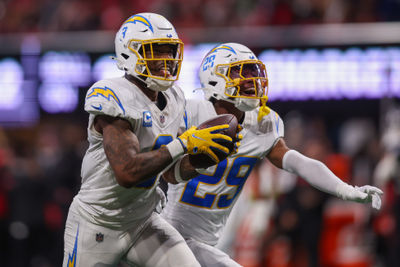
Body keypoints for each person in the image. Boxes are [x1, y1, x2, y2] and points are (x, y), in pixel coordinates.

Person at [161, 42, 384, 267]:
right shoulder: (190, 113)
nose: (251, 80)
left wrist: (345, 189)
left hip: (209, 241)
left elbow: (297, 162)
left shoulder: (262, 122)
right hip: (172, 235)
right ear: (214, 78)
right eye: (241, 72)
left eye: (253, 72)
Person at [62, 13, 236, 267]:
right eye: (156, 51)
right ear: (129, 53)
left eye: (170, 52)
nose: (166, 60)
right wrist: (184, 143)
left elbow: (170, 174)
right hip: (98, 222)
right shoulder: (113, 94)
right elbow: (128, 172)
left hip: (143, 221)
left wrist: (202, 157)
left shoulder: (174, 97)